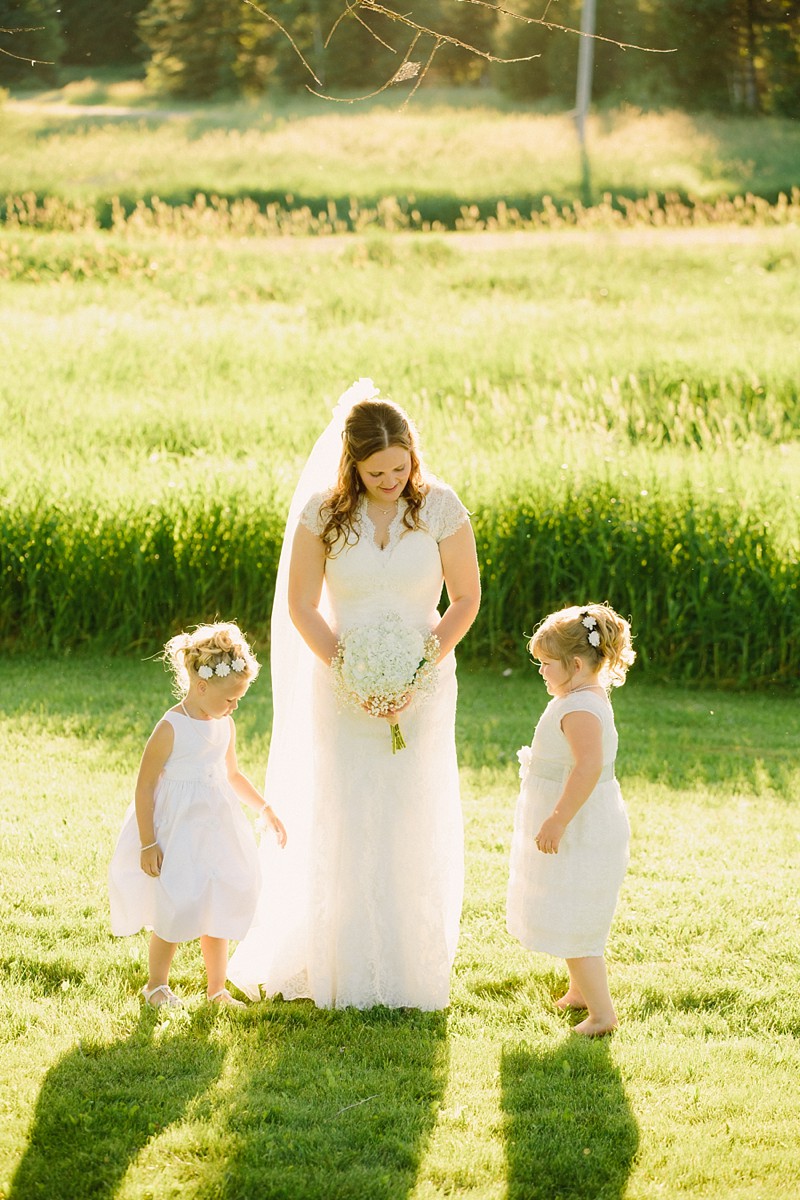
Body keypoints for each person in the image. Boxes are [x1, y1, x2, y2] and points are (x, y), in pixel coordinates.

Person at [229, 379, 481, 1010]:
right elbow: (300, 606)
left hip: (426, 679)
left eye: (401, 467)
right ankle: (340, 962)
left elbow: (467, 600)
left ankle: (407, 969)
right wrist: (348, 670)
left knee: (410, 806)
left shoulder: (442, 507)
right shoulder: (323, 514)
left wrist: (418, 670)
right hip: (338, 679)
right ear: (353, 465)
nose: (391, 478)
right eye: (377, 471)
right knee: (345, 806)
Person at [109, 621, 287, 1009]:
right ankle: (156, 986)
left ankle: (216, 990)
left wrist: (265, 807)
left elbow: (233, 774)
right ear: (202, 686)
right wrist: (147, 842)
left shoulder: (225, 723)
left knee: (218, 902)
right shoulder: (170, 728)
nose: (234, 706)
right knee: (175, 904)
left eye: (238, 700)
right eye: (230, 699)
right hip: (177, 830)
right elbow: (145, 786)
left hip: (216, 828)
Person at [506, 602, 635, 1036]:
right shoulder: (580, 696)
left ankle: (602, 1015)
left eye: (545, 664)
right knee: (565, 904)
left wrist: (557, 819)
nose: (540, 671)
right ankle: (580, 992)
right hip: (578, 823)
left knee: (577, 917)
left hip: (579, 826)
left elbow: (588, 767)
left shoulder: (579, 709)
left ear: (576, 664)